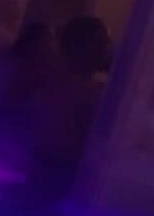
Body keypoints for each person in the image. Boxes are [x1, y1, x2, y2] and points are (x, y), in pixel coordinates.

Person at [32, 14, 113, 197]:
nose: (106, 49)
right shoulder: (87, 92)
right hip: (60, 170)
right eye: (102, 44)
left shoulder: (50, 79)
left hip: (42, 161)